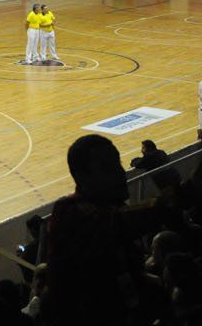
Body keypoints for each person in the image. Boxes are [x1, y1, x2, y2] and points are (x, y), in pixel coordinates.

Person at [44, 134, 171, 326]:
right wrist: (173, 200)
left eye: (118, 163)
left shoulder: (111, 207)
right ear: (82, 176)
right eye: (107, 167)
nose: (120, 172)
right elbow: (117, 223)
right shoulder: (68, 211)